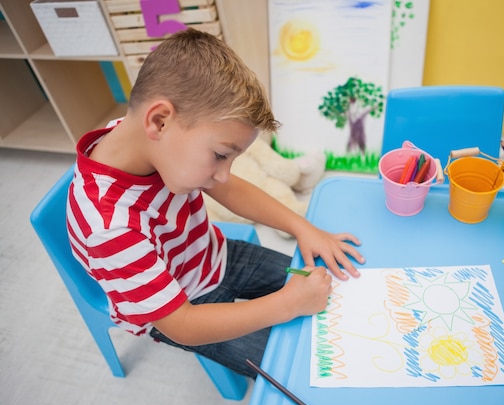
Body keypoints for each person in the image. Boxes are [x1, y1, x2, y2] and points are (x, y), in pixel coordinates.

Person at [66, 28, 365, 378]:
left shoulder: (146, 140)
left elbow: (228, 189)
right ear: (159, 120)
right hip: (185, 308)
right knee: (303, 370)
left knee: (335, 290)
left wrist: (302, 227)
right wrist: (286, 305)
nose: (223, 175)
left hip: (216, 255)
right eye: (220, 155)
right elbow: (183, 325)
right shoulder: (108, 226)